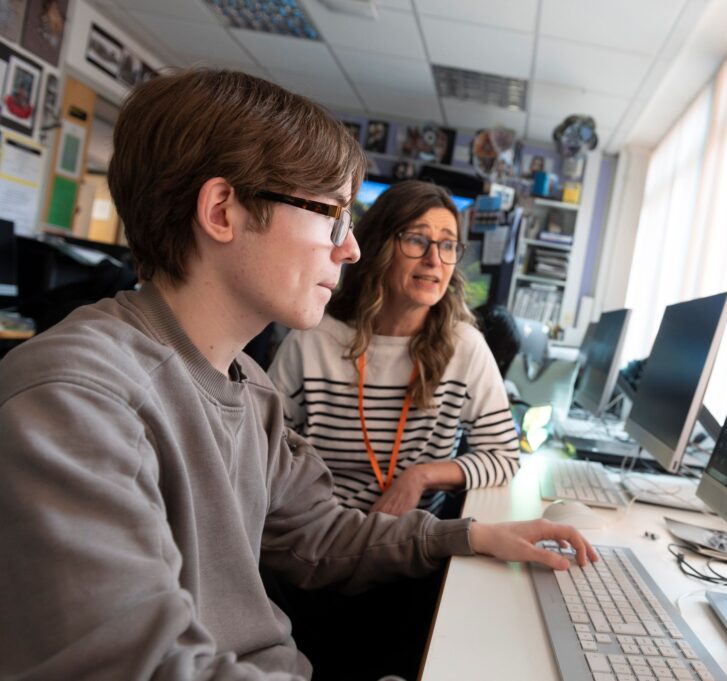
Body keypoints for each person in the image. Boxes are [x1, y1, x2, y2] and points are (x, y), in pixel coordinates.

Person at [0, 68, 597, 681]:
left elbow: (320, 537)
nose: (351, 249)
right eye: (332, 217)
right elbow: (140, 669)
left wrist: (468, 538)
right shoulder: (73, 398)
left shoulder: (247, 385)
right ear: (223, 211)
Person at [269, 180, 519, 518]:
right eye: (417, 240)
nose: (434, 260)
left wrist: (421, 477)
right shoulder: (313, 339)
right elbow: (267, 449)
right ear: (379, 248)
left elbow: (503, 456)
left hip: (412, 549)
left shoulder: (465, 347)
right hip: (318, 538)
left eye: (447, 245)